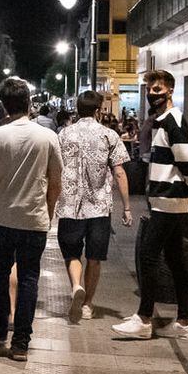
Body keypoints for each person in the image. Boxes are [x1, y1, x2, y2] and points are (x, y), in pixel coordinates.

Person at [0, 77, 63, 360]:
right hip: (33, 219)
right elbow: (56, 181)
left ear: (3, 104)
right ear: (29, 103)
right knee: (29, 278)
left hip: (1, 218)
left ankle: (0, 329)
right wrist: (48, 210)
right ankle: (21, 343)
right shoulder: (48, 137)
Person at [113, 69, 188, 341]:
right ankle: (185, 322)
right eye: (150, 90)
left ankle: (144, 318)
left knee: (148, 255)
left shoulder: (172, 121)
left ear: (170, 90)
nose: (152, 94)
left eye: (157, 89)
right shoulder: (163, 121)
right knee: (175, 259)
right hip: (167, 199)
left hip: (169, 200)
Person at [55, 90, 132, 320]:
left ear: (77, 110)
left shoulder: (64, 134)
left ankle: (76, 285)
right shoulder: (109, 135)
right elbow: (119, 172)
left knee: (71, 253)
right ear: (98, 110)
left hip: (70, 205)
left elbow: (55, 168)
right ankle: (87, 304)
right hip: (99, 207)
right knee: (95, 257)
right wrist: (127, 207)